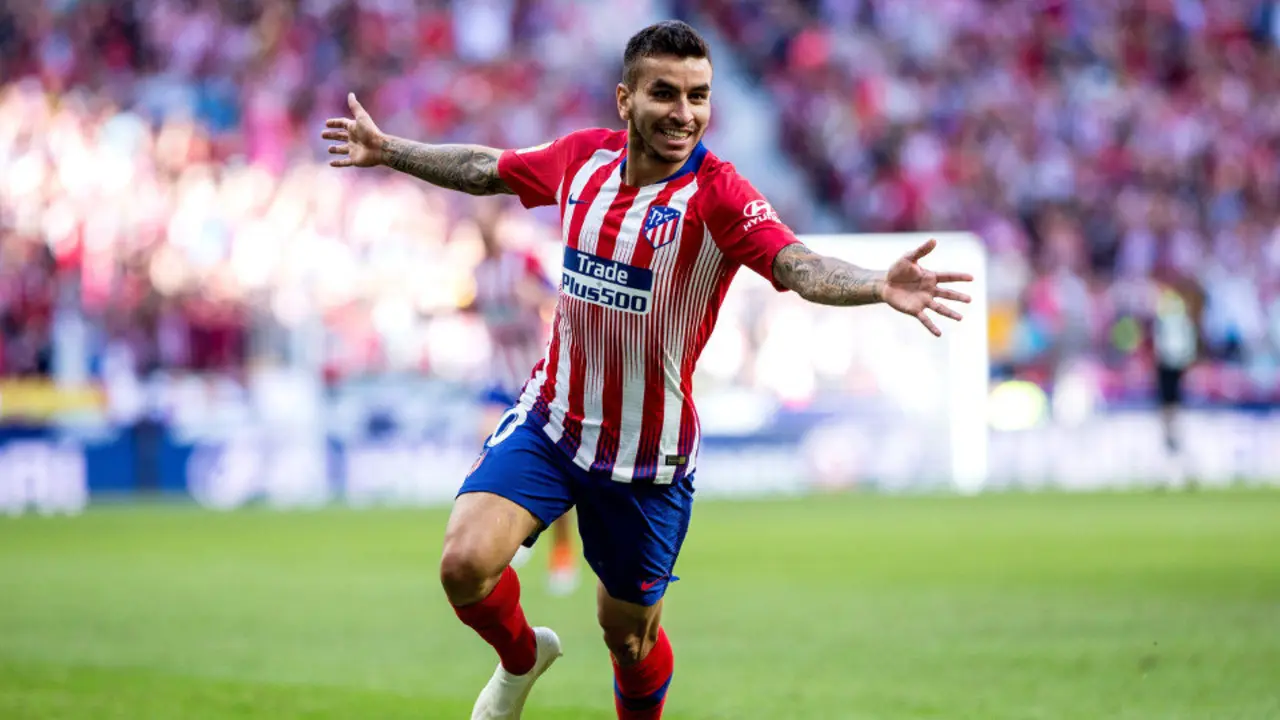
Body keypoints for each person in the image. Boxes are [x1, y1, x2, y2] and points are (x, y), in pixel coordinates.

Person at [322, 20, 973, 720]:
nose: (685, 113)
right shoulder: (581, 161)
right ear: (625, 99)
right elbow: (489, 169)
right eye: (666, 93)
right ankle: (520, 658)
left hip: (647, 459)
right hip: (553, 421)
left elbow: (798, 264)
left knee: (628, 641)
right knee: (463, 565)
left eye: (700, 96)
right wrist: (389, 150)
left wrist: (877, 283)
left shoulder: (720, 194)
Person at [466, 199, 579, 596]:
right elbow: (476, 309)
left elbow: (557, 296)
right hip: (498, 376)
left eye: (487, 221)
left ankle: (561, 551)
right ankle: (511, 530)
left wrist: (535, 295)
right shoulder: (478, 271)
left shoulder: (523, 260)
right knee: (488, 444)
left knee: (557, 470)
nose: (481, 229)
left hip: (533, 378)